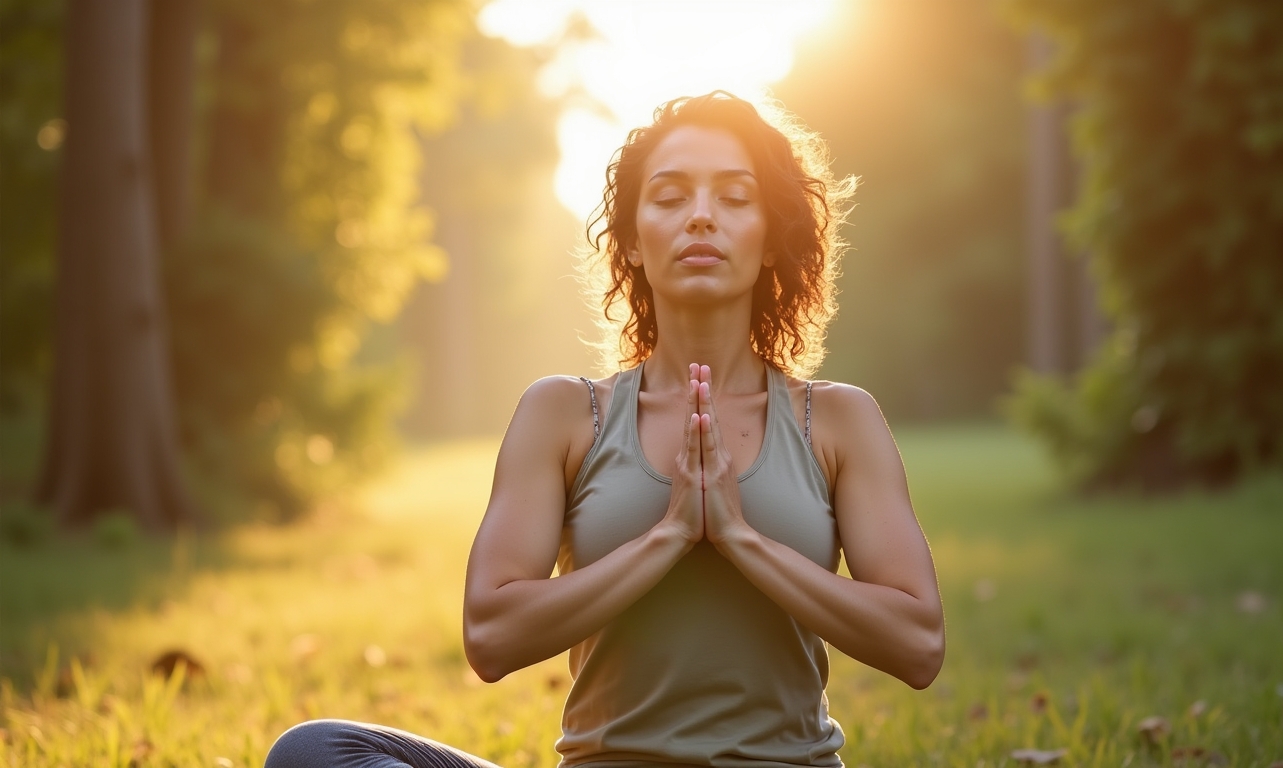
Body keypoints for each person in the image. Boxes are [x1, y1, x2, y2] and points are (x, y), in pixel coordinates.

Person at [265, 91, 944, 768]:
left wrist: (739, 537)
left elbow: (918, 644)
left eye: (735, 199)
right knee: (315, 752)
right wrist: (670, 534)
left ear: (770, 240)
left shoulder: (836, 419)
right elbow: (491, 635)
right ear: (633, 244)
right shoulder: (564, 415)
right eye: (671, 197)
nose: (701, 217)